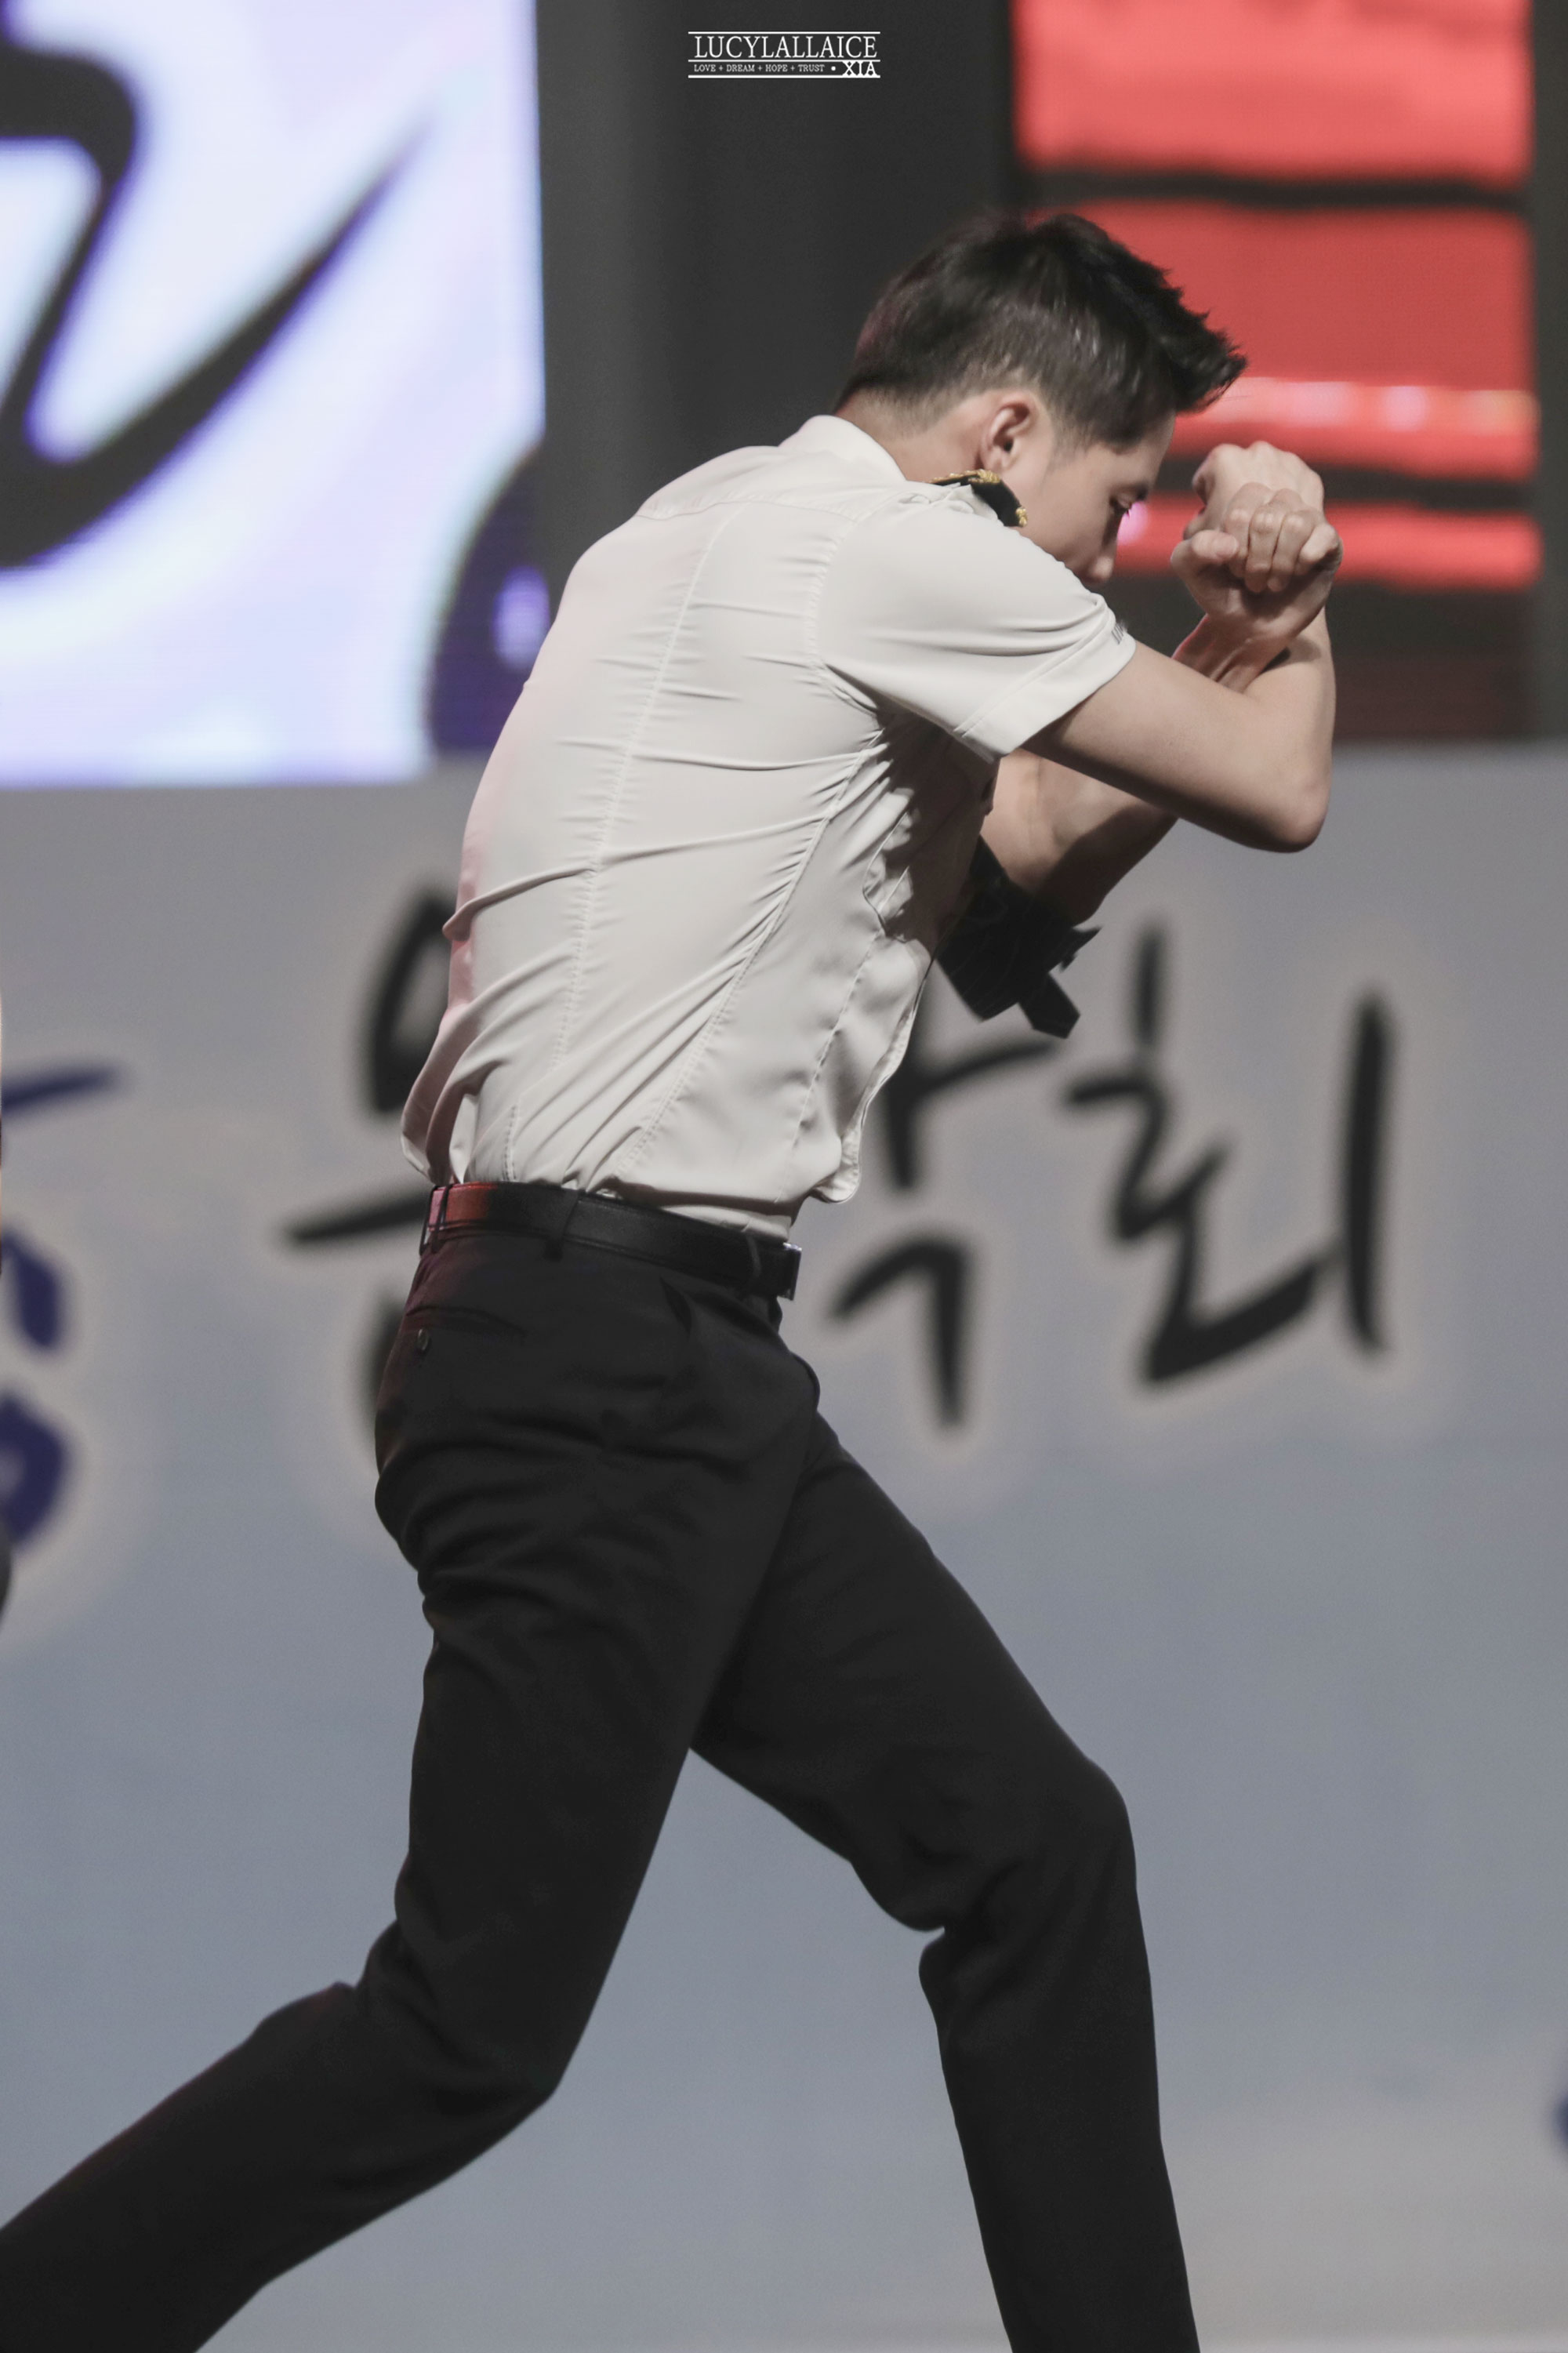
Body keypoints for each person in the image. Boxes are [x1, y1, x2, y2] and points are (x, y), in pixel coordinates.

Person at [0, 210, 1341, 2353]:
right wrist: (1285, 609)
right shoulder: (902, 553)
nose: (1103, 558)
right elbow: (1271, 788)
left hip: (638, 1358)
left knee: (1034, 1849)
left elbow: (1007, 885)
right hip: (605, 1361)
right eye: (1110, 504)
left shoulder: (709, 532)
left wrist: (1233, 633)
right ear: (1004, 436)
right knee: (462, 2028)